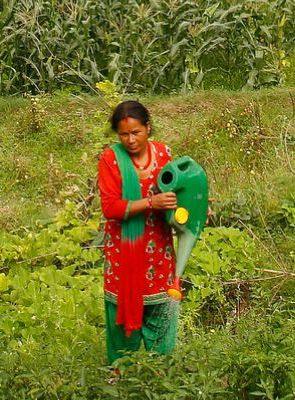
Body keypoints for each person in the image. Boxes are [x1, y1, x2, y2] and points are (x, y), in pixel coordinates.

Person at [96, 100, 182, 369]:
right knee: (122, 327)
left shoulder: (164, 153)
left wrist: (192, 204)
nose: (130, 140)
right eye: (124, 134)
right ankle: (122, 378)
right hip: (125, 259)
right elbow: (110, 207)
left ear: (148, 127)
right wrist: (150, 203)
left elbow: (177, 190)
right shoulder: (111, 159)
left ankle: (161, 379)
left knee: (163, 316)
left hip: (159, 254)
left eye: (136, 132)